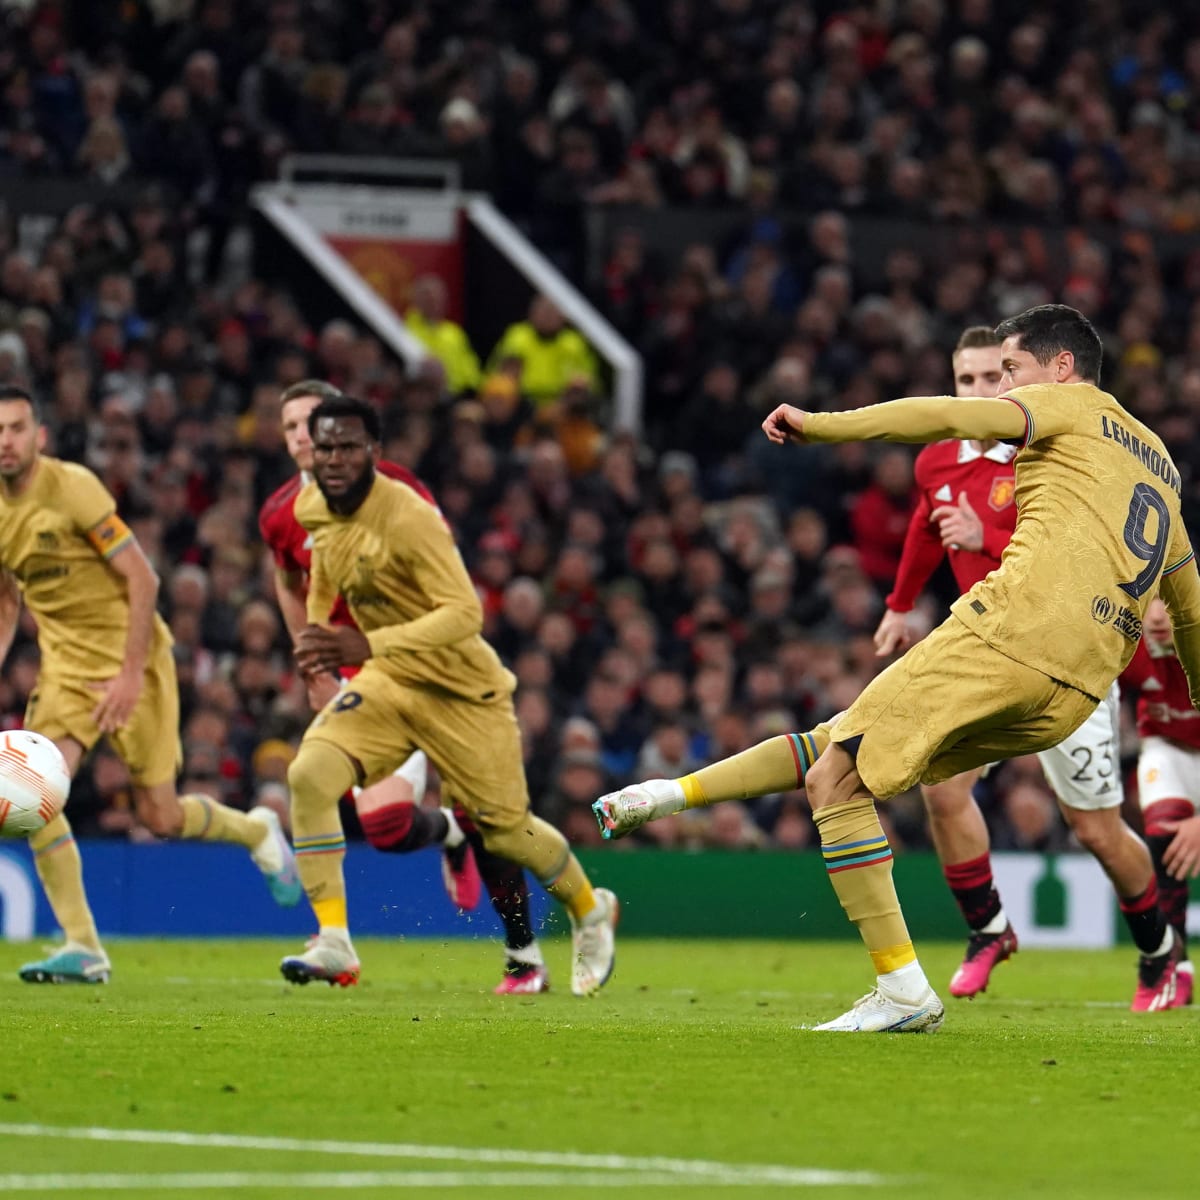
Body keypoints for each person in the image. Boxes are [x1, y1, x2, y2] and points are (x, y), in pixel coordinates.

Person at [597, 304, 1200, 1031]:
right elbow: (1191, 614)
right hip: (1076, 687)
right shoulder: (1157, 459)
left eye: (1010, 371)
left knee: (837, 778)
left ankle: (903, 990)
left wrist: (821, 425)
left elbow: (937, 417)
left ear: (1062, 367)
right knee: (845, 743)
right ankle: (667, 794)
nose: (1000, 388)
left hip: (1012, 633)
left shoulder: (1062, 405)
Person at [873, 327, 1175, 1011]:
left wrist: (991, 539)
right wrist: (899, 604)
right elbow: (927, 525)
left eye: (996, 377)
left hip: (1066, 655)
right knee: (941, 790)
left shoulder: (1054, 450)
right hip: (986, 648)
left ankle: (1160, 951)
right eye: (970, 380)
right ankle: (988, 931)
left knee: (1095, 828)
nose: (986, 391)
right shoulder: (938, 461)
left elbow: (1087, 546)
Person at [280, 392, 618, 993]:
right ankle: (333, 940)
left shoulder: (407, 516)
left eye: (347, 447)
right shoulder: (312, 504)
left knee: (506, 832)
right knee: (309, 775)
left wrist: (368, 645)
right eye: (324, 446)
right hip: (389, 683)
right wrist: (318, 631)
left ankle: (591, 911)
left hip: (461, 690)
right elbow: (325, 569)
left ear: (375, 453)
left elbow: (466, 613)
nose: (332, 458)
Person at [0, 384, 299, 986]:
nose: (5, 442)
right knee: (32, 798)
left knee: (160, 815)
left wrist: (131, 673)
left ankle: (254, 828)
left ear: (40, 436)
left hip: (135, 659)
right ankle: (83, 946)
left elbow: (144, 579)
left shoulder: (74, 489)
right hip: (65, 668)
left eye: (16, 428)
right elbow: (7, 598)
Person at [1125, 596, 1200, 1005]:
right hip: (1167, 746)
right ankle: (1176, 964)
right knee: (1165, 837)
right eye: (1149, 603)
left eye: (1168, 605)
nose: (1156, 616)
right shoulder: (1129, 640)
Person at [404, 275, 482, 397]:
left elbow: (470, 371)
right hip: (420, 395)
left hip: (454, 394)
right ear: (417, 301)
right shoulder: (407, 330)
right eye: (428, 298)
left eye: (437, 299)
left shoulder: (454, 333)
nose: (433, 303)